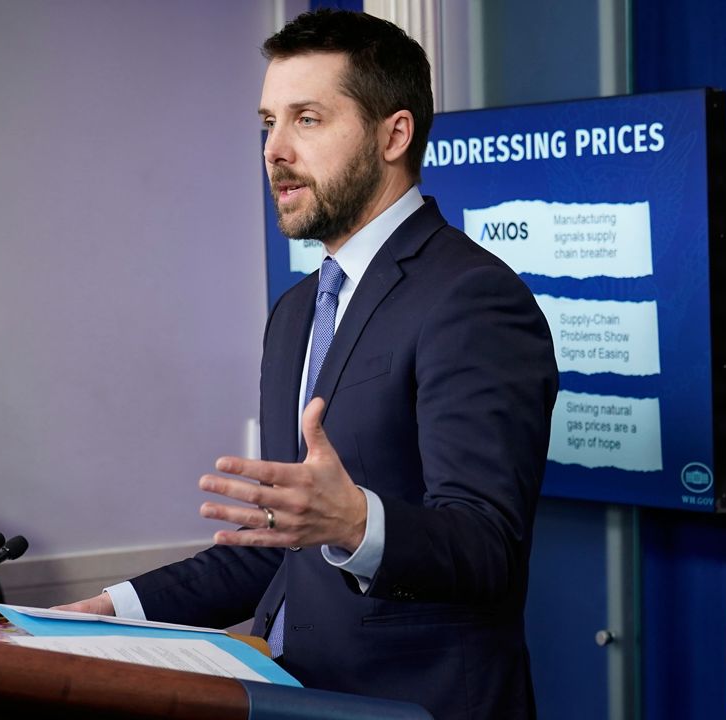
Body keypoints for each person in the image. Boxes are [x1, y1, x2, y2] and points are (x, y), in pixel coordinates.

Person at [58, 10, 557, 719]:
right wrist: (113, 610)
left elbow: (488, 547)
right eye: (267, 122)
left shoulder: (472, 297)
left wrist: (359, 523)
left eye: (307, 119)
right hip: (295, 699)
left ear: (395, 133)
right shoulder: (297, 311)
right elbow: (280, 545)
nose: (274, 149)